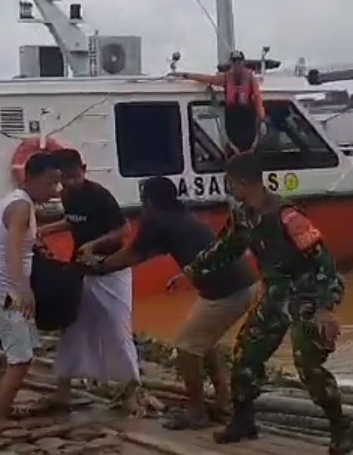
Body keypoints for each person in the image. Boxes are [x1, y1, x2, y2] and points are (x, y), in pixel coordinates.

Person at [182, 152, 353, 455]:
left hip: (309, 295)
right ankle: (243, 420)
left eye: (231, 184)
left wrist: (326, 309)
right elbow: (226, 248)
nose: (229, 189)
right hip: (276, 293)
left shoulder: (288, 217)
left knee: (308, 365)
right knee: (246, 355)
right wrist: (193, 270)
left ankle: (340, 427)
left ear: (243, 182)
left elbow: (325, 263)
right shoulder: (243, 216)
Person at [85, 176, 258, 430]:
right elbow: (154, 250)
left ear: (150, 200)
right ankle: (222, 402)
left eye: (144, 199)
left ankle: (197, 413)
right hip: (237, 283)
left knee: (187, 348)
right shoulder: (178, 215)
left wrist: (99, 265)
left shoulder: (156, 219)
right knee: (202, 342)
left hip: (227, 291)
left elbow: (135, 254)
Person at [34, 148, 140, 414]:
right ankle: (63, 391)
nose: (70, 182)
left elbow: (123, 229)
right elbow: (74, 221)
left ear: (84, 168)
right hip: (81, 271)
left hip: (111, 270)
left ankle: (131, 391)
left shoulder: (99, 195)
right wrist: (47, 229)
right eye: (65, 179)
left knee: (118, 329)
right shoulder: (68, 196)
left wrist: (94, 244)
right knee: (72, 329)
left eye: (74, 176)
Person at [0, 152, 61, 434]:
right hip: (4, 288)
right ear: (34, 179)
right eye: (51, 183)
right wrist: (23, 290)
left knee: (19, 354)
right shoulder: (21, 207)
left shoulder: (11, 201)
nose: (55, 191)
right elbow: (13, 248)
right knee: (21, 358)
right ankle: (0, 421)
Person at [175, 49, 266, 156]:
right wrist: (187, 75)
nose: (237, 64)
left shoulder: (251, 79)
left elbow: (257, 97)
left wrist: (262, 118)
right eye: (234, 62)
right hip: (233, 120)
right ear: (231, 63)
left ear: (243, 62)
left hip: (247, 120)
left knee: (248, 147)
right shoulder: (226, 78)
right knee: (235, 146)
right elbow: (208, 79)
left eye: (239, 61)